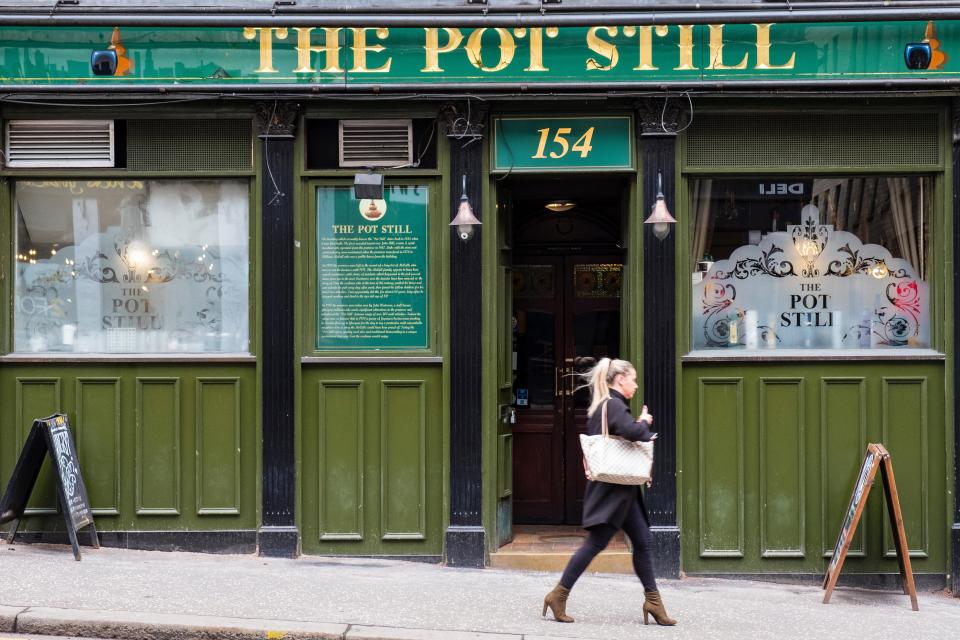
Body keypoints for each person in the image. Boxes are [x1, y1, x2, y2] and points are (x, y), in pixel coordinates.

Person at [541, 357, 676, 626]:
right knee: (595, 544)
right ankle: (558, 594)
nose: (636, 385)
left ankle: (653, 602)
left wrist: (637, 424)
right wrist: (644, 422)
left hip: (622, 491)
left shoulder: (606, 406)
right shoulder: (613, 405)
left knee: (643, 542)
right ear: (620, 379)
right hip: (613, 493)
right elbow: (630, 431)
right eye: (633, 379)